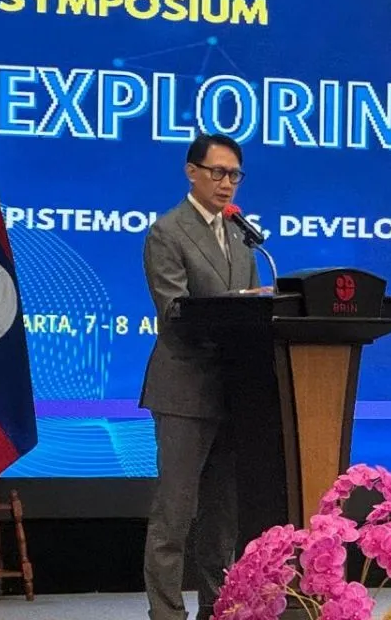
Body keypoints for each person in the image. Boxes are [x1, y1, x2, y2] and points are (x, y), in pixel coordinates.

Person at [140, 133, 261, 620]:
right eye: (218, 172)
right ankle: (167, 613)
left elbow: (251, 310)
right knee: (175, 514)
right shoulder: (167, 231)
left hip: (232, 392)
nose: (226, 183)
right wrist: (233, 313)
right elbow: (174, 311)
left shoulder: (241, 236)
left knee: (222, 518)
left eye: (234, 175)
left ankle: (220, 607)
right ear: (192, 172)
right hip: (184, 391)